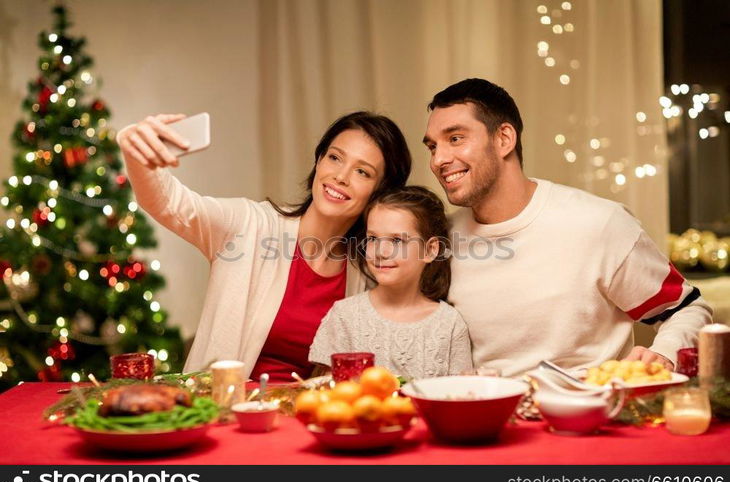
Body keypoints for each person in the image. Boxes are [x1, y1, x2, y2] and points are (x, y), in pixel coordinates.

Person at [422, 78, 712, 377]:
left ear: (504, 139)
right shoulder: (440, 238)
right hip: (483, 415)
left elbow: (687, 309)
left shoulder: (599, 224)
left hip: (589, 416)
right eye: (432, 146)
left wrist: (663, 354)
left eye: (455, 138)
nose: (439, 159)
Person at [117, 111, 411, 381]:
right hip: (224, 414)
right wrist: (134, 149)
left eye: (363, 172)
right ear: (319, 161)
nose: (341, 176)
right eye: (335, 158)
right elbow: (170, 203)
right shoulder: (249, 225)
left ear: (379, 192)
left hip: (306, 422)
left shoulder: (367, 273)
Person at [309, 186, 473, 378]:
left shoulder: (449, 324)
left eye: (396, 241)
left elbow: (462, 397)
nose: (380, 252)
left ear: (430, 250)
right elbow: (328, 396)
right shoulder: (344, 316)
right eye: (372, 238)